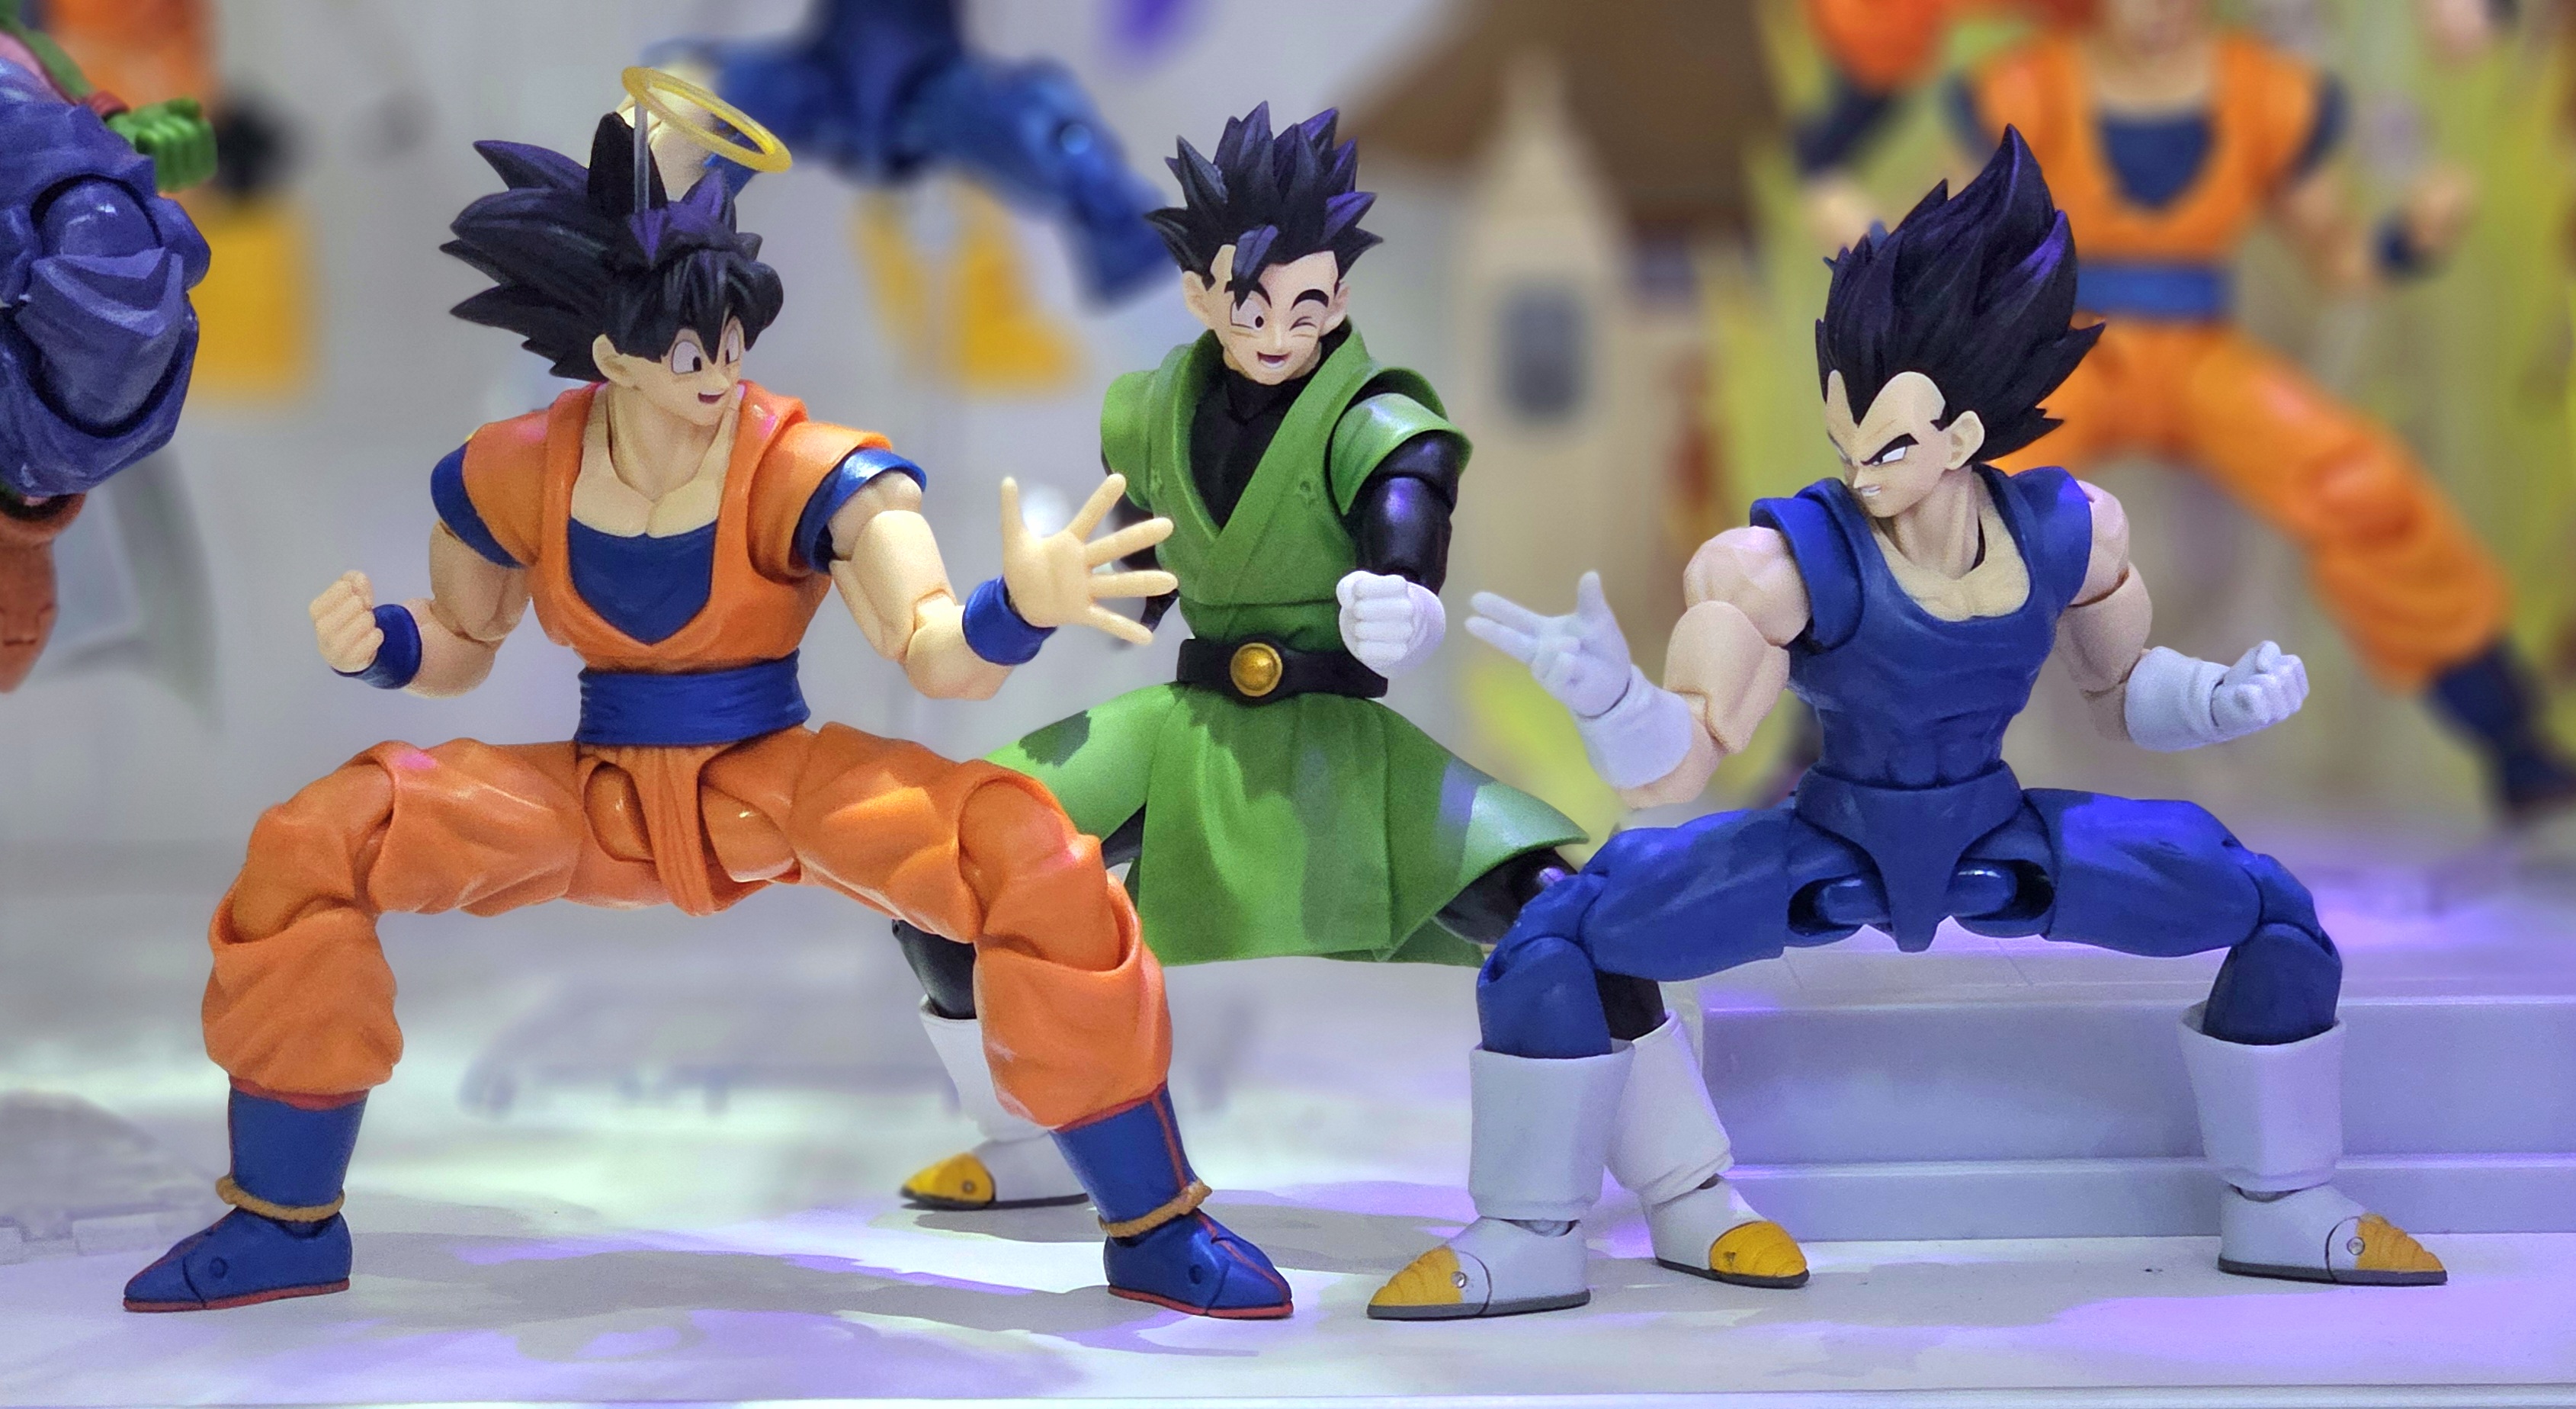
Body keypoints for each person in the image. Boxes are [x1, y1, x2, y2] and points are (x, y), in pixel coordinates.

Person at [120, 92, 1290, 1321]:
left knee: (1023, 846)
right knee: (317, 838)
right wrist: (382, 648)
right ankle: (282, 1220)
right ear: (611, 355)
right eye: (690, 354)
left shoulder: (812, 473)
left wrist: (1020, 609)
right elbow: (461, 645)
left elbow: (938, 656)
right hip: (596, 796)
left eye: (734, 342)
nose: (722, 375)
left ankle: (1155, 1225)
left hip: (769, 783)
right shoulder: (513, 469)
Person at [1371, 130, 2445, 1321]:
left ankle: (2283, 1198)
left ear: (1965, 436)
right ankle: (1533, 1228)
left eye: (1886, 445)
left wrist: (2215, 698)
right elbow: (1679, 765)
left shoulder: (2070, 529)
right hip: (1827, 845)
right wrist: (1608, 698)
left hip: (1999, 836)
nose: (1856, 470)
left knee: (2271, 911)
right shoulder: (1776, 563)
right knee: (1554, 935)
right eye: (1842, 436)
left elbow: (2122, 690)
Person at [883, 103, 1804, 1294]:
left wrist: (1402, 597)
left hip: (1340, 740)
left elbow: (1402, 516)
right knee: (947, 864)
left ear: (1340, 297)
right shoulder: (1148, 415)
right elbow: (1135, 579)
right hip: (1185, 733)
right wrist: (1057, 589)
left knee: (1564, 911)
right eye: (1250, 304)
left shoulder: (1379, 422)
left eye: (1307, 305)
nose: (1279, 331)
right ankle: (1022, 1137)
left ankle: (1688, 1188)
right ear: (1200, 294)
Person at [1789, 0, 2576, 821]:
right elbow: (1941, 224)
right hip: (2065, 348)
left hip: (2200, 355)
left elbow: (2339, 256)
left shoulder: (2263, 92)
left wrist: (2406, 240)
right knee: (1939, 494)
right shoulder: (2030, 86)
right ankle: (1825, 734)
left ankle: (2512, 740)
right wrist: (1867, 232)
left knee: (2356, 483)